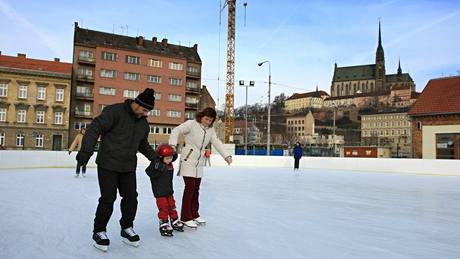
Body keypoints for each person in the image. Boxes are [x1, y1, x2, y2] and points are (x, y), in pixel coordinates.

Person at [76, 88, 159, 252]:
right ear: (136, 103)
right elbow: (94, 128)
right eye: (144, 110)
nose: (145, 113)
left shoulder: (143, 122)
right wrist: (86, 151)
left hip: (128, 166)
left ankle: (126, 227)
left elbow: (142, 144)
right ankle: (99, 231)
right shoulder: (115, 112)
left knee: (131, 198)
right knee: (108, 199)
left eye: (148, 111)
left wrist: (155, 158)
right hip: (108, 164)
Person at [169, 107, 232, 228]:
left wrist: (226, 155)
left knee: (196, 189)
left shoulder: (210, 130)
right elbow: (176, 130)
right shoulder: (191, 124)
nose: (207, 122)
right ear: (201, 116)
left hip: (199, 163)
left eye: (210, 120)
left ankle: (194, 214)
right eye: (206, 119)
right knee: (190, 188)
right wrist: (172, 145)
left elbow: (217, 142)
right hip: (188, 159)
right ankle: (185, 217)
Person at [145, 144, 183, 237]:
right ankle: (164, 222)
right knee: (164, 208)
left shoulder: (169, 163)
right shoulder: (156, 164)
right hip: (160, 192)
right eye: (167, 158)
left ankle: (174, 219)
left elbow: (173, 157)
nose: (169, 160)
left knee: (172, 206)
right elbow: (148, 172)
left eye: (170, 158)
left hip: (169, 191)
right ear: (160, 157)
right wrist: (157, 168)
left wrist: (173, 153)